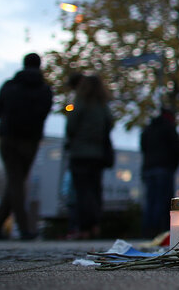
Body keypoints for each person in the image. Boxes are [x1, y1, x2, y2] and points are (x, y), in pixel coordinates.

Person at [0, 53, 53, 240]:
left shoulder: (9, 86)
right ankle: (1, 228)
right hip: (30, 140)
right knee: (16, 181)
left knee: (14, 181)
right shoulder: (45, 89)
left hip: (9, 138)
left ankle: (19, 228)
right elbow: (44, 113)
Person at [65, 74, 114, 239]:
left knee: (82, 191)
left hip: (80, 153)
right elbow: (109, 125)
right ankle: (95, 225)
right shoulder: (103, 106)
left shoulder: (81, 103)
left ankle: (84, 227)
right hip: (98, 154)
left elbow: (71, 126)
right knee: (95, 190)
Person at [140, 108, 179, 238]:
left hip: (149, 168)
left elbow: (143, 146)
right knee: (163, 201)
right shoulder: (169, 128)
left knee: (150, 200)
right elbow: (176, 149)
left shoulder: (149, 128)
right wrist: (173, 165)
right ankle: (161, 231)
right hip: (164, 168)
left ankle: (149, 230)